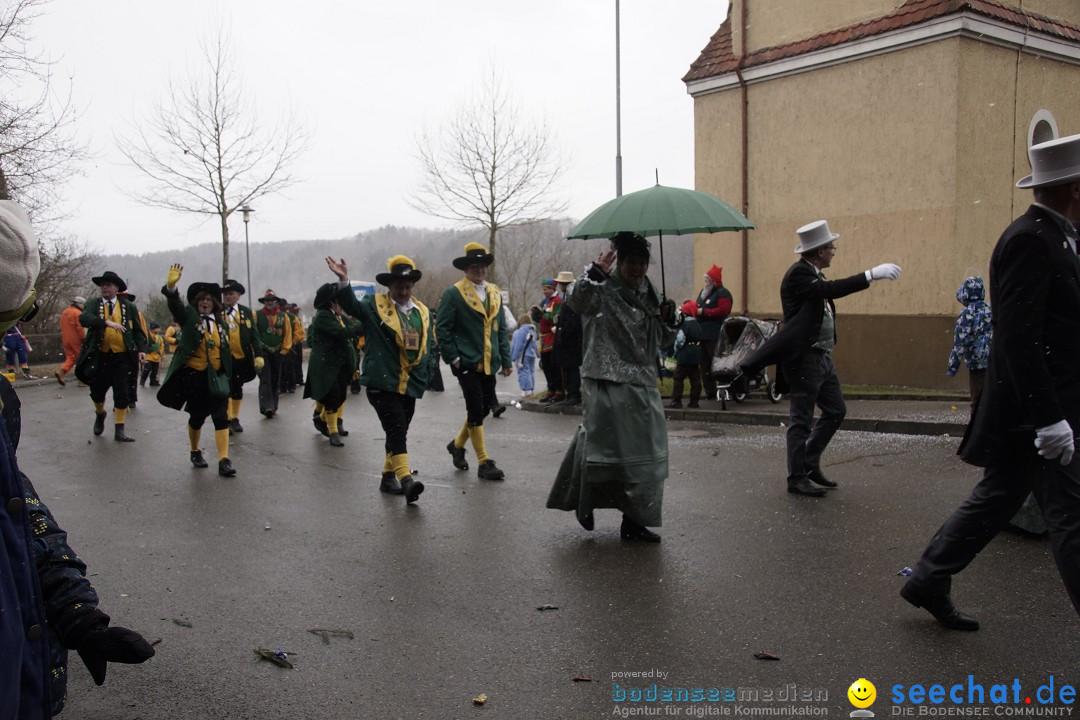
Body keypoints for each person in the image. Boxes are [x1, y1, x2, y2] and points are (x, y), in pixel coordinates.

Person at [901, 133, 1080, 632]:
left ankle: (929, 578)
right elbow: (1021, 340)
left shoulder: (1056, 236)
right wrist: (1049, 419)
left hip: (1041, 409)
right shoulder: (1032, 239)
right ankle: (930, 577)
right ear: (1076, 190)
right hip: (1038, 413)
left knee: (999, 496)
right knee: (1071, 519)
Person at [0, 197, 154, 718]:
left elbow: (15, 508)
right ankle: (99, 415)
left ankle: (112, 422)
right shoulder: (95, 307)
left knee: (124, 401)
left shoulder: (1, 400)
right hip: (98, 359)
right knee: (101, 395)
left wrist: (76, 612)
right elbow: (87, 317)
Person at [738, 220, 901, 497]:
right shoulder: (799, 275)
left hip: (822, 356)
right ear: (819, 251)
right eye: (831, 247)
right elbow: (830, 291)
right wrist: (870, 275)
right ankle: (796, 478)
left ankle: (809, 462)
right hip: (804, 359)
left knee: (836, 410)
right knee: (800, 419)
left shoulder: (813, 273)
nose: (834, 251)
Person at [546, 232, 679, 542]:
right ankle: (585, 503)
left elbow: (662, 341)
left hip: (642, 382)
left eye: (642, 263)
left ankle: (635, 521)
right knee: (602, 451)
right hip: (606, 380)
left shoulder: (652, 295)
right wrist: (593, 273)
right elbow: (576, 302)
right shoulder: (602, 287)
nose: (637, 269)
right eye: (631, 262)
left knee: (647, 455)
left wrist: (669, 320)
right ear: (620, 261)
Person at [326, 255, 436, 502]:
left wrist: (427, 373)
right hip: (381, 383)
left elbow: (429, 346)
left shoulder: (422, 312)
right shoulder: (374, 305)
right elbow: (352, 307)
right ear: (390, 286)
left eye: (408, 285)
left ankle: (388, 477)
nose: (404, 290)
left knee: (399, 431)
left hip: (410, 384)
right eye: (399, 285)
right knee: (396, 428)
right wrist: (344, 279)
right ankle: (406, 480)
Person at [437, 242, 512, 481]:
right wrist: (456, 359)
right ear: (466, 268)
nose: (479, 270)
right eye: (474, 266)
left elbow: (499, 329)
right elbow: (443, 329)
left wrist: (507, 359)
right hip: (466, 362)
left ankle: (457, 445)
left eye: (482, 266)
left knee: (481, 409)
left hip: (490, 361)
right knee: (476, 409)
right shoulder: (453, 293)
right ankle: (484, 462)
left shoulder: (494, 292)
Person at [157, 265, 238, 477]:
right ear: (196, 302)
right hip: (195, 377)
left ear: (214, 304)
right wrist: (172, 288)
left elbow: (226, 351)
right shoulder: (190, 319)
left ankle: (224, 460)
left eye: (209, 299)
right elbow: (176, 307)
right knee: (197, 418)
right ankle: (195, 451)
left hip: (217, 377)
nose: (204, 302)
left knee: (221, 417)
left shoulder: (222, 324)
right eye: (201, 299)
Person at [75, 270, 147, 442]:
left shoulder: (128, 307)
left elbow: (138, 331)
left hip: (122, 357)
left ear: (116, 288)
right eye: (103, 285)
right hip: (100, 356)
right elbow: (84, 319)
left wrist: (142, 349)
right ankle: (100, 414)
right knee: (97, 392)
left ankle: (120, 429)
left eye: (108, 285)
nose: (104, 287)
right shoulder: (93, 304)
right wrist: (105, 322)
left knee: (122, 393)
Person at [303, 283, 362, 449]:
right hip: (326, 365)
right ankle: (333, 432)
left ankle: (321, 419)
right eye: (339, 301)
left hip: (339, 364)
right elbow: (342, 333)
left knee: (341, 395)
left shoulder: (338, 317)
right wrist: (360, 328)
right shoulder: (323, 316)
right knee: (332, 396)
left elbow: (349, 330)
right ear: (331, 302)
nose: (342, 306)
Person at [220, 279, 264, 433]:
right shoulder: (217, 311)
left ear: (238, 295)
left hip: (241, 358)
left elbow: (254, 335)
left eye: (231, 294)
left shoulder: (246, 312)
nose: (227, 297)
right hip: (223, 359)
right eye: (225, 294)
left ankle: (235, 418)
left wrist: (259, 355)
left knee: (237, 389)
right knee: (225, 389)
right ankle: (226, 418)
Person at [945, 276, 991, 415]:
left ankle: (977, 431)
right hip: (995, 363)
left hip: (977, 365)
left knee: (977, 401)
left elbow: (960, 342)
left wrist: (953, 367)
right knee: (992, 399)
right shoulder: (990, 310)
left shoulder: (967, 314)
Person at [694, 264, 733, 400]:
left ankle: (724, 390)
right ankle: (710, 391)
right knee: (704, 365)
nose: (706, 283)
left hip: (715, 334)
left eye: (707, 280)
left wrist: (703, 312)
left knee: (718, 363)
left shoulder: (723, 293)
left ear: (714, 281)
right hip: (702, 334)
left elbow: (723, 310)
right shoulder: (703, 293)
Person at [255, 290, 293, 418]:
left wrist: (284, 350)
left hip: (278, 352)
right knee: (265, 378)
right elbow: (253, 334)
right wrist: (256, 350)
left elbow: (287, 334)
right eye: (267, 300)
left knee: (275, 378)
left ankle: (274, 405)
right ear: (264, 302)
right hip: (263, 351)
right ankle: (267, 406)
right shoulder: (257, 315)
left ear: (276, 301)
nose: (270, 302)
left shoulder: (283, 316)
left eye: (272, 300)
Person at [553, 270, 583, 406]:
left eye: (563, 283)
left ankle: (574, 394)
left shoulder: (573, 298)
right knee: (567, 367)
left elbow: (574, 319)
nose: (561, 285)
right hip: (567, 339)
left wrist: (564, 330)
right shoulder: (567, 297)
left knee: (571, 368)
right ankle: (570, 393)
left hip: (572, 340)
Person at [532, 278, 563, 403]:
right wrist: (535, 314)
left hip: (553, 335)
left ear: (552, 289)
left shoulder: (558, 301)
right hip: (544, 337)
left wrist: (543, 315)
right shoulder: (545, 301)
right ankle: (551, 389)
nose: (544, 291)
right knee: (546, 365)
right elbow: (539, 315)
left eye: (546, 289)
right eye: (543, 289)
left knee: (554, 365)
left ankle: (559, 391)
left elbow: (554, 318)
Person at [669, 300, 704, 408]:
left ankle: (676, 401)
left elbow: (680, 340)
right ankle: (694, 401)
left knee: (678, 378)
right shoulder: (697, 324)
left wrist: (675, 351)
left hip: (684, 355)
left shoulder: (684, 325)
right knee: (695, 379)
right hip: (696, 354)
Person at [55, 296, 85, 386]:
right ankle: (81, 380)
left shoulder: (65, 312)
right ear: (79, 304)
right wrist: (84, 338)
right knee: (81, 358)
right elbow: (80, 328)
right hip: (75, 339)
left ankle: (61, 371)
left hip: (65, 338)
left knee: (71, 357)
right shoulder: (78, 313)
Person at [509, 314, 537, 398]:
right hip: (532, 355)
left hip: (523, 356)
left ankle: (525, 390)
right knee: (531, 372)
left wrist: (513, 357)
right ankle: (531, 389)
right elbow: (535, 344)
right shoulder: (532, 330)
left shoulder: (521, 331)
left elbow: (518, 345)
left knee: (523, 372)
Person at [139, 321, 165, 387]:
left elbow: (162, 345)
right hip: (149, 355)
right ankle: (142, 380)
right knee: (147, 368)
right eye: (156, 328)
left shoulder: (159, 337)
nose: (158, 330)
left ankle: (153, 382)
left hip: (156, 356)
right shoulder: (148, 335)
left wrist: (161, 353)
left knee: (155, 370)